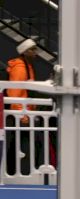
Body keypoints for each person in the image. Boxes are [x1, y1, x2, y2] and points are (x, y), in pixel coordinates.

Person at [5, 39, 38, 175]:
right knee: (18, 144)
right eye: (33, 49)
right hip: (20, 114)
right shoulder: (20, 68)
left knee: (17, 145)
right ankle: (12, 172)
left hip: (24, 112)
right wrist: (21, 114)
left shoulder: (27, 67)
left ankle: (13, 172)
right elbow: (14, 93)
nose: (36, 52)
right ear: (25, 52)